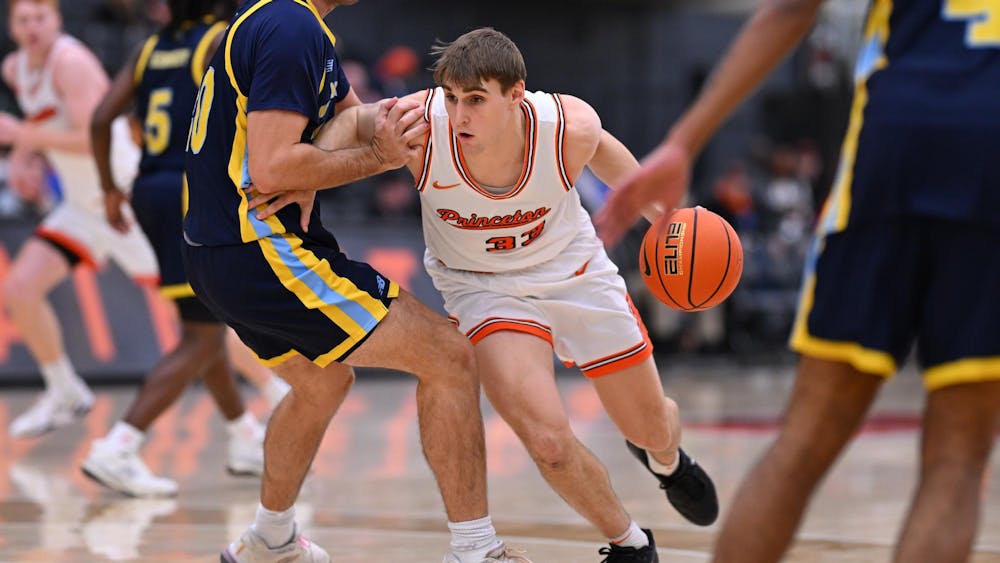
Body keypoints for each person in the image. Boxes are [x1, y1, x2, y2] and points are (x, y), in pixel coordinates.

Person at [596, 1, 1000, 561]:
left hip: (896, 137)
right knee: (959, 459)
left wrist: (684, 141)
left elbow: (792, 8)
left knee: (805, 439)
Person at [312, 28, 719, 562]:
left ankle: (666, 461)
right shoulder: (422, 123)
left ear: (516, 95)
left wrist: (675, 233)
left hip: (574, 272)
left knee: (650, 427)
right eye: (453, 99)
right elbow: (352, 121)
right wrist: (303, 172)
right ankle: (631, 544)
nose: (460, 116)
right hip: (484, 289)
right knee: (548, 442)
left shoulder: (566, 127)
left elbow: (634, 183)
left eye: (476, 100)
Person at [182, 1, 527, 562]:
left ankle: (269, 540)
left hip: (216, 253)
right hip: (261, 247)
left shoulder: (287, 23)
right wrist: (379, 158)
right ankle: (476, 550)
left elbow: (359, 118)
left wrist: (420, 116)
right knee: (448, 356)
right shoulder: (289, 26)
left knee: (323, 383)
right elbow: (273, 168)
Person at [82, 0, 275, 498]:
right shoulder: (217, 40)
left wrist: (108, 188)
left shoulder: (149, 49)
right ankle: (119, 447)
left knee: (202, 327)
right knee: (204, 337)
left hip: (149, 190)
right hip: (194, 192)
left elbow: (102, 117)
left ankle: (243, 437)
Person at [0, 0, 159, 438]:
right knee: (20, 288)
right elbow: (43, 123)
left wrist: (22, 136)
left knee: (200, 311)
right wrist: (22, 157)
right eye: (23, 20)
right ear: (11, 26)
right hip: (80, 206)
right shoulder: (16, 67)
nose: (32, 27)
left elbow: (94, 140)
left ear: (57, 20)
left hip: (123, 198)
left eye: (40, 18)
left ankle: (270, 393)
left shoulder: (70, 63)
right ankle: (64, 390)